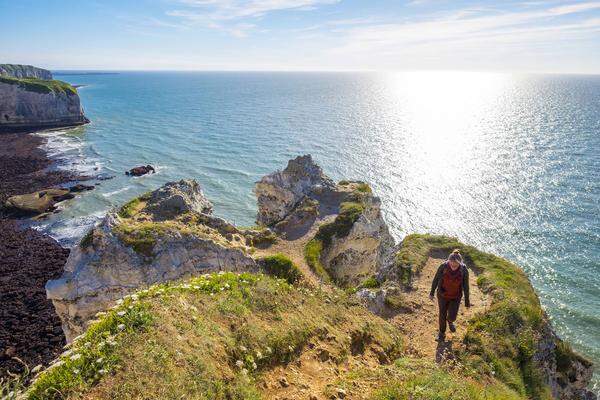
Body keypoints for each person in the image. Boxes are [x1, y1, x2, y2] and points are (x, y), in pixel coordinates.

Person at [429, 249, 471, 341]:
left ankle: (450, 321)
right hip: (442, 295)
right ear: (448, 261)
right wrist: (432, 292)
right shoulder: (443, 266)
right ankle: (441, 333)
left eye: (455, 264)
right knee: (442, 314)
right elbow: (436, 279)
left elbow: (466, 286)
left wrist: (467, 302)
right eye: (451, 263)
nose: (453, 266)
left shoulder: (464, 270)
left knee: (452, 316)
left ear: (460, 263)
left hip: (455, 297)